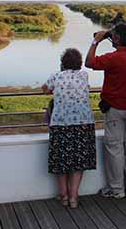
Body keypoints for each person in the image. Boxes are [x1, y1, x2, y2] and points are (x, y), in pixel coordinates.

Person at [85, 22, 126, 199]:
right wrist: (111, 35)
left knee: (114, 148)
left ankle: (117, 189)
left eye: (114, 36)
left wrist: (96, 41)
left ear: (117, 38)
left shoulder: (114, 58)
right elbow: (124, 46)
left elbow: (89, 62)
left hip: (115, 110)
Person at [42, 48, 96, 209]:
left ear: (62, 63)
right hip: (83, 123)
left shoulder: (56, 76)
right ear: (79, 63)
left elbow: (44, 89)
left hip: (60, 124)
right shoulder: (84, 75)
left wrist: (55, 90)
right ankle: (74, 197)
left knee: (61, 161)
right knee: (78, 161)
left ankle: (63, 195)